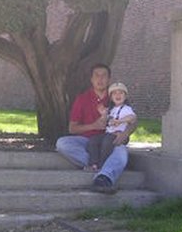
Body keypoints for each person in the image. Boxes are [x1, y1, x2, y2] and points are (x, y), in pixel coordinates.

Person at [55, 64, 137, 193]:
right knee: (62, 143)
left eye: (104, 75)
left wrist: (125, 133)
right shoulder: (82, 99)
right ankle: (105, 164)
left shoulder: (116, 96)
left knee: (121, 151)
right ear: (91, 79)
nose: (100, 79)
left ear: (109, 79)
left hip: (111, 141)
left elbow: (133, 120)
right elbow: (72, 128)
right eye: (96, 76)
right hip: (88, 142)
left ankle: (103, 178)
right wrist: (94, 125)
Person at [87, 82, 137, 171]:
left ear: (125, 97)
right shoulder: (111, 109)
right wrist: (103, 115)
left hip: (118, 135)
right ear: (111, 97)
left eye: (121, 93)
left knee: (106, 142)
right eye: (114, 93)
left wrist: (120, 121)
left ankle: (102, 165)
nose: (118, 95)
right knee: (93, 141)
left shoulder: (126, 109)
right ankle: (93, 163)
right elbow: (105, 121)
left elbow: (132, 117)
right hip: (108, 133)